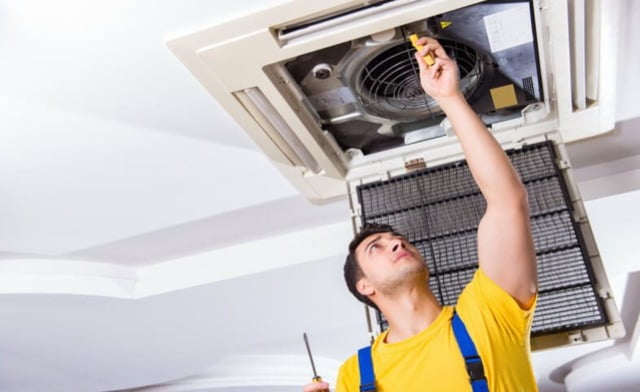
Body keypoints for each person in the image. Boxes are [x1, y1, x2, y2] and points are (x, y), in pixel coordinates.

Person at [303, 36, 538, 391]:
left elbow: (507, 201)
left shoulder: (488, 313)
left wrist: (449, 97)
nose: (395, 242)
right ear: (364, 286)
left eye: (394, 238)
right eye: (376, 248)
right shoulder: (356, 374)